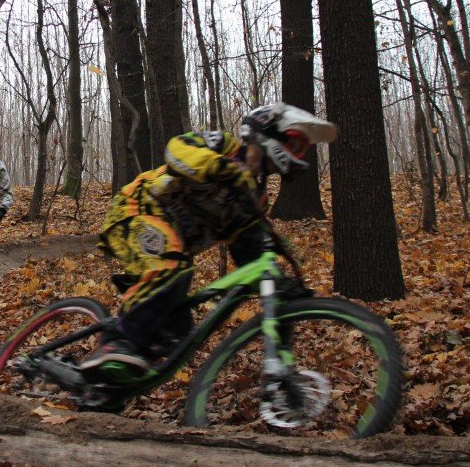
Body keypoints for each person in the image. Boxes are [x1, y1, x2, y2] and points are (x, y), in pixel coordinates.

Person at [81, 102, 338, 383]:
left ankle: (110, 384)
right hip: (135, 211)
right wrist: (222, 167)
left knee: (177, 329)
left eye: (302, 150)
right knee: (171, 267)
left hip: (171, 246)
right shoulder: (224, 147)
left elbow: (249, 253)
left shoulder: (254, 199)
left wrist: (280, 284)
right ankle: (113, 343)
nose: (297, 154)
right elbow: (177, 150)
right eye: (295, 145)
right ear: (269, 132)